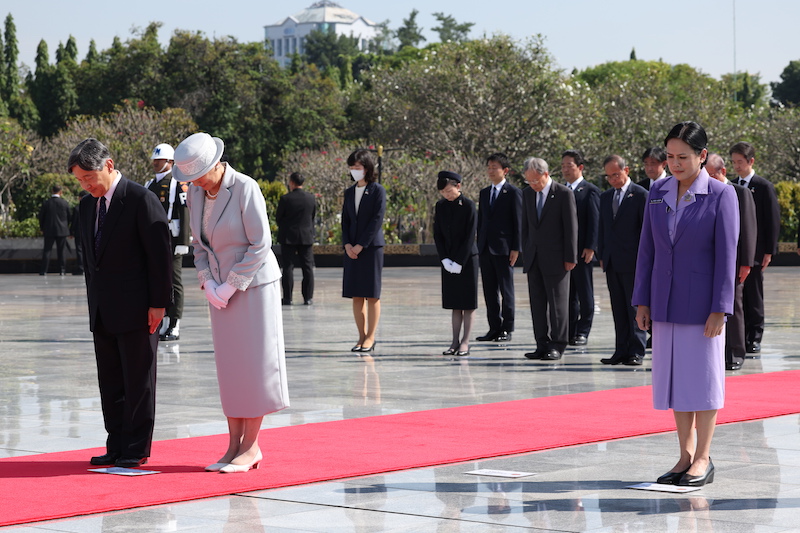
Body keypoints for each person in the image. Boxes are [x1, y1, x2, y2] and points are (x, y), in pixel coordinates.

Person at [174, 132, 289, 473]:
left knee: (254, 366)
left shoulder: (244, 187)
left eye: (196, 175)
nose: (192, 183)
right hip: (220, 291)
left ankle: (251, 447)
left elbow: (260, 243)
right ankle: (232, 445)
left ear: (214, 166)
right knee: (230, 368)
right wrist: (208, 282)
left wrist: (232, 284)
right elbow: (199, 246)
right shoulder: (196, 193)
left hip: (253, 286)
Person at [633, 122, 738, 487]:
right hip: (664, 304)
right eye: (670, 157)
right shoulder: (657, 191)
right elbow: (647, 249)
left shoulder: (722, 195)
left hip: (702, 308)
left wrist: (720, 308)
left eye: (683, 157)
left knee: (704, 382)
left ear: (702, 156)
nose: (674, 164)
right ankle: (684, 456)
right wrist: (642, 300)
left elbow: (727, 256)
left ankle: (704, 458)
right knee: (676, 382)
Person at [69, 138, 172, 468]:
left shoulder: (140, 199)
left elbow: (160, 256)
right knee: (110, 381)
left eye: (89, 178)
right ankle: (115, 444)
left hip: (139, 308)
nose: (86, 186)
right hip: (102, 310)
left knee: (138, 381)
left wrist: (159, 303)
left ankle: (136, 447)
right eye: (80, 181)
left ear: (108, 166)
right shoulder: (87, 206)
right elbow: (91, 263)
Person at [520, 157, 577, 361]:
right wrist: (526, 252)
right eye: (529, 181)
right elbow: (525, 227)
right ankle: (541, 344)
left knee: (557, 304)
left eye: (536, 181)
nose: (533, 185)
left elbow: (571, 227)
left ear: (546, 174)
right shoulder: (527, 194)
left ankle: (558, 344)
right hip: (534, 257)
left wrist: (570, 257)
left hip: (557, 258)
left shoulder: (563, 193)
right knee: (537, 304)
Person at [706, 153, 757, 371]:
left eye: (711, 175)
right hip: (710, 260)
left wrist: (746, 262)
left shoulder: (740, 193)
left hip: (735, 261)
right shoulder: (704, 192)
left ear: (723, 172)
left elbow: (748, 229)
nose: (707, 179)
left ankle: (736, 351)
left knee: (733, 306)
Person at [729, 141, 779, 355]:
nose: (737, 166)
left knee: (754, 295)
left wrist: (769, 250)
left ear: (751, 161)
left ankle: (755, 336)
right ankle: (741, 335)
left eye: (740, 162)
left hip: (757, 252)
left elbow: (772, 220)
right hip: (736, 251)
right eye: (733, 162)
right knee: (738, 298)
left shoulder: (763, 186)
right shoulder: (730, 185)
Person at [597, 155, 648, 365]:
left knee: (634, 307)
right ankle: (621, 349)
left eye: (615, 175)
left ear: (626, 170)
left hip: (634, 261)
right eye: (608, 176)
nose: (612, 180)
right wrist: (602, 254)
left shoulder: (640, 195)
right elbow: (602, 229)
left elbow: (646, 231)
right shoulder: (606, 197)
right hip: (612, 261)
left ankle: (636, 350)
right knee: (618, 308)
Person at [342, 149, 386, 352]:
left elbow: (376, 220)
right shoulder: (349, 192)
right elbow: (346, 221)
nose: (354, 171)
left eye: (357, 167)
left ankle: (371, 336)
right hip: (352, 250)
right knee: (356, 294)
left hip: (370, 248)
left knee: (372, 294)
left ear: (367, 168)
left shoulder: (377, 190)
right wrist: (348, 244)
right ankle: (360, 336)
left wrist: (361, 245)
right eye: (352, 167)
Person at [145, 143, 191, 341]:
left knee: (174, 281)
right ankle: (162, 321)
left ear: (171, 162)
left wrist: (183, 242)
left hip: (172, 239)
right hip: (154, 239)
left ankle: (175, 323)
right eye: (155, 160)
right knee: (157, 280)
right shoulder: (150, 184)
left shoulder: (177, 183)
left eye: (160, 160)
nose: (156, 163)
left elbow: (185, 212)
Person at [476, 153, 523, 343]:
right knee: (489, 291)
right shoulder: (485, 192)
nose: (490, 170)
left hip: (504, 249)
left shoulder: (513, 192)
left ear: (505, 171)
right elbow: (482, 222)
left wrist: (516, 247)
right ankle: (493, 327)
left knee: (506, 290)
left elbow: (518, 222)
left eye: (494, 167)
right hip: (486, 248)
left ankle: (507, 328)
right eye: (488, 167)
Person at [433, 171, 479, 356]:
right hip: (448, 260)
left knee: (467, 303)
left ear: (458, 186)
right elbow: (438, 234)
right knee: (454, 303)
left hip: (467, 260)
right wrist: (444, 258)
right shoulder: (441, 206)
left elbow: (470, 236)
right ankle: (454, 341)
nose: (446, 195)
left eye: (449, 191)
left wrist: (459, 261)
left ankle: (465, 342)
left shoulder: (468, 205)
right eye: (443, 192)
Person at [561, 149, 600, 346]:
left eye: (570, 165)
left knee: (585, 293)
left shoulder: (590, 190)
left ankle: (583, 330)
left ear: (580, 167)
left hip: (583, 251)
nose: (565, 169)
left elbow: (594, 221)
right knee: (569, 294)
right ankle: (569, 330)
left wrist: (591, 246)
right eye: (563, 166)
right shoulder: (560, 190)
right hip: (565, 252)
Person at [276, 171, 317, 306]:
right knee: (308, 268)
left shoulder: (285, 199)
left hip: (288, 237)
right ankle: (308, 298)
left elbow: (279, 218)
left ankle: (288, 298)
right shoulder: (311, 198)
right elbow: (312, 217)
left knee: (288, 267)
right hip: (306, 237)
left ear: (292, 182)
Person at [38, 184, 71, 276]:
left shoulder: (46, 203)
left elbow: (41, 217)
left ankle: (43, 270)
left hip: (49, 230)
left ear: (52, 191)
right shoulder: (64, 203)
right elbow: (69, 216)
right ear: (61, 192)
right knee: (62, 251)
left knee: (47, 250)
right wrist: (66, 226)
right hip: (62, 230)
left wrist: (42, 228)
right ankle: (62, 270)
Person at [70, 190, 89, 275]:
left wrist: (71, 232)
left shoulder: (77, 208)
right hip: (89, 232)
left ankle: (81, 268)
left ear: (79, 198)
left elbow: (73, 222)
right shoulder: (92, 206)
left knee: (80, 250)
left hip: (79, 232)